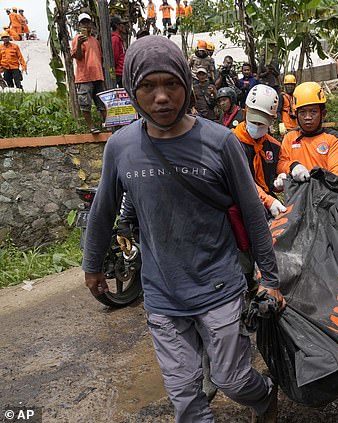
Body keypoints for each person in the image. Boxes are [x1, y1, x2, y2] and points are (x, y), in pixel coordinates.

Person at [82, 35, 281, 423]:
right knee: (184, 395)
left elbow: (253, 213)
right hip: (162, 293)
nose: (161, 97)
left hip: (220, 285)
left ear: (186, 85)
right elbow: (103, 211)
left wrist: (270, 277)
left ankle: (265, 395)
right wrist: (92, 266)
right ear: (132, 90)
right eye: (148, 86)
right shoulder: (120, 147)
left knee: (232, 378)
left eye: (171, 84)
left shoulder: (220, 141)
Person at [275, 81, 338, 186]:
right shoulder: (290, 137)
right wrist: (293, 166)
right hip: (295, 198)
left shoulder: (335, 140)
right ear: (296, 114)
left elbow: (333, 177)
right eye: (302, 112)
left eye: (313, 112)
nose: (308, 117)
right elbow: (281, 164)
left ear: (323, 114)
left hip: (325, 197)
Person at [234, 84, 286, 218]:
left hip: (267, 204)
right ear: (245, 113)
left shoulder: (274, 147)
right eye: (254, 121)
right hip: (239, 204)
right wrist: (267, 201)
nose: (257, 127)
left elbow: (272, 177)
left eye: (262, 123)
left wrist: (279, 183)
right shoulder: (231, 143)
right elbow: (241, 181)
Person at [71, 13, 107, 134]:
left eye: (87, 22)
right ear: (79, 25)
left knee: (102, 103)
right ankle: (91, 126)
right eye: (83, 23)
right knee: (85, 104)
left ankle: (107, 124)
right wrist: (80, 44)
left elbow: (100, 58)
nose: (86, 25)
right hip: (84, 77)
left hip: (97, 75)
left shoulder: (95, 40)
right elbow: (78, 57)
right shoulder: (77, 39)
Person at [110, 15, 129, 88]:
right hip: (119, 73)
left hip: (122, 72)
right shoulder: (115, 39)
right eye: (122, 24)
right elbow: (114, 58)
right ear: (117, 26)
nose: (124, 26)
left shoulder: (119, 39)